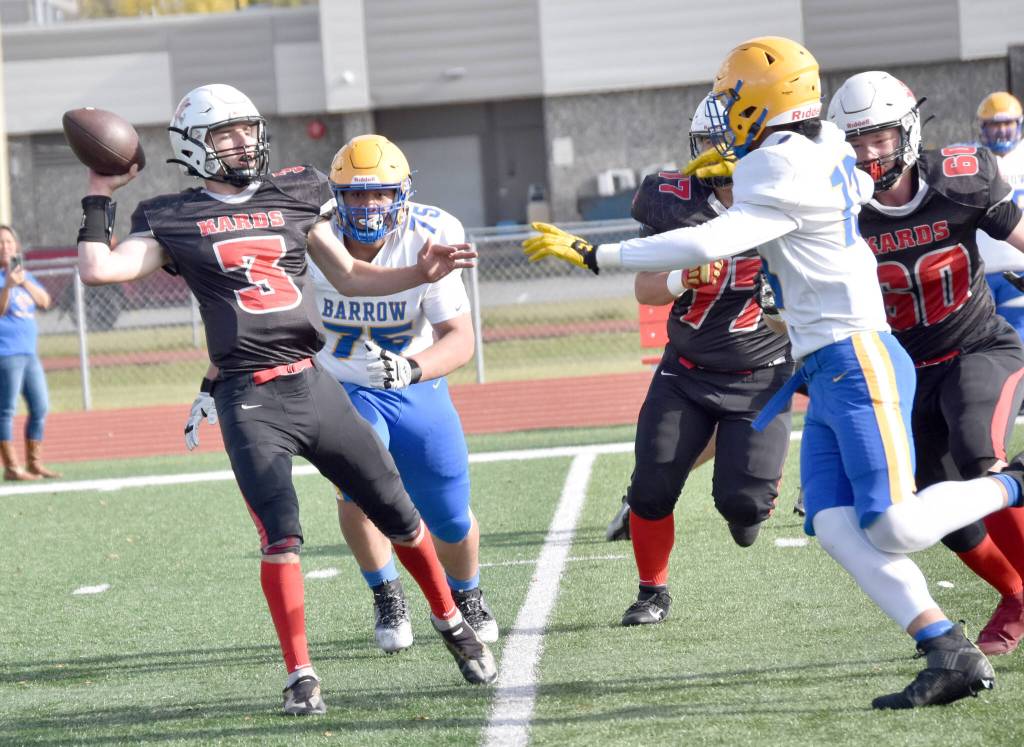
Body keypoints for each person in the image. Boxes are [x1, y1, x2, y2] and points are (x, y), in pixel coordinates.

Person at [522, 36, 1024, 709]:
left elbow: (711, 239)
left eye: (734, 99)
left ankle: (1014, 482)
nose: (726, 110)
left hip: (857, 353)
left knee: (896, 526)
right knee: (835, 523)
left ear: (763, 100)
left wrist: (596, 254)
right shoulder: (821, 147)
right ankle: (945, 645)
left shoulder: (780, 160)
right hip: (828, 360)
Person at [78, 83, 495, 717]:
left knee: (400, 513)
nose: (244, 142)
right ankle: (301, 674)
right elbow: (98, 270)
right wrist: (101, 193)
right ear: (194, 146)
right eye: (226, 133)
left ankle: (452, 623)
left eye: (248, 129)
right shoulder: (172, 214)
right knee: (282, 535)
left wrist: (421, 272)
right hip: (249, 397)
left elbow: (354, 275)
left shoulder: (295, 192)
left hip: (314, 380)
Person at [828, 72, 1024, 656]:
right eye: (855, 140)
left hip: (978, 347)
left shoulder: (960, 179)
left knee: (976, 452)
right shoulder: (838, 207)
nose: (868, 152)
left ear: (907, 131)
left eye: (880, 137)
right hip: (904, 374)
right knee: (938, 511)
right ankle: (1016, 592)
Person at [604, 95, 795, 628]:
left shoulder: (789, 196)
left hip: (761, 376)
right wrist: (679, 277)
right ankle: (652, 592)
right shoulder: (675, 201)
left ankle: (751, 503)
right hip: (685, 372)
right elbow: (645, 289)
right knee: (651, 486)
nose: (719, 154)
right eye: (709, 143)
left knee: (742, 508)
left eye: (729, 142)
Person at [301, 134, 498, 651]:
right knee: (356, 488)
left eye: (381, 194)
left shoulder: (431, 233)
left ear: (402, 193)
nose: (368, 206)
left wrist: (411, 369)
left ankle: (467, 594)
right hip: (342, 385)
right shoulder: (309, 231)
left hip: (415, 384)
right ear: (335, 194)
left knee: (450, 514)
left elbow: (460, 337)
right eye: (356, 194)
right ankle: (387, 591)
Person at [0, 225, 61, 481]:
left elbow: (45, 301)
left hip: (29, 354)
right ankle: (12, 467)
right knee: (6, 410)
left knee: (40, 406)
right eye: (1, 243)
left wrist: (22, 281)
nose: (5, 247)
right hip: (6, 353)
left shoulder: (22, 276)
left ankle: (34, 462)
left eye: (9, 242)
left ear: (16, 247)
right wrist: (8, 287)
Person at [973, 92, 1024, 339]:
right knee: (987, 344)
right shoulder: (971, 159)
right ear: (983, 127)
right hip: (980, 273)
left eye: (1008, 123)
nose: (1002, 130)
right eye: (995, 124)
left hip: (1021, 267)